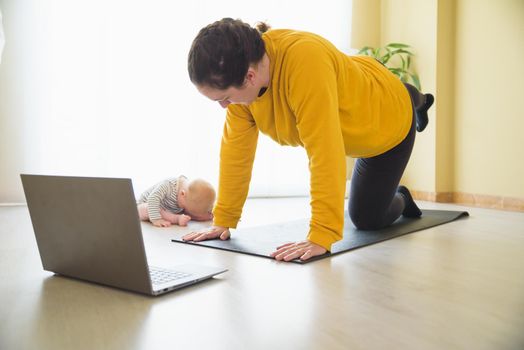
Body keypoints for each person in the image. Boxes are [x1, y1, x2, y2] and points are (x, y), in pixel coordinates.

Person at [182, 18, 434, 261]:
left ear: (249, 77)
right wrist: (223, 219)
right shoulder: (243, 78)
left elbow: (324, 152)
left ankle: (403, 186)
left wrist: (321, 234)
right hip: (360, 87)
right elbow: (235, 152)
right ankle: (414, 97)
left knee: (367, 219)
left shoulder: (305, 64)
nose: (223, 106)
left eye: (223, 98)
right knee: (373, 88)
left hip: (388, 123)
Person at [137, 175, 215, 227]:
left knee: (195, 211)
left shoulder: (188, 195)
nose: (186, 209)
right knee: (146, 208)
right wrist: (156, 219)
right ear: (182, 194)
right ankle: (177, 219)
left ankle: (185, 216)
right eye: (186, 207)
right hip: (145, 207)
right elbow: (153, 198)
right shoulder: (168, 185)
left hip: (169, 211)